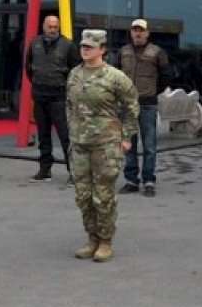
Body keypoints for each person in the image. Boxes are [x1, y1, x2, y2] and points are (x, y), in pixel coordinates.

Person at [67, 29, 139, 263]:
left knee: (104, 195)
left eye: (90, 46)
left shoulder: (115, 77)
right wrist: (72, 131)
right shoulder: (74, 75)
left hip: (105, 146)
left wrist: (126, 137)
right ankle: (92, 239)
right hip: (79, 145)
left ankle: (106, 241)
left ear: (102, 49)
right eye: (82, 46)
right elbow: (70, 105)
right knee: (83, 195)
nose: (84, 49)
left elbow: (131, 107)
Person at [117, 19, 172, 198]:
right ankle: (132, 180)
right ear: (131, 32)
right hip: (127, 106)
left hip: (148, 104)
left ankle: (149, 180)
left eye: (141, 30)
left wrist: (154, 93)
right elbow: (115, 75)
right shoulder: (123, 52)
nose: (138, 33)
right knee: (129, 145)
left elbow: (166, 75)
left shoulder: (157, 52)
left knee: (149, 146)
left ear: (147, 33)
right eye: (135, 30)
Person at [25, 15, 79, 184]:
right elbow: (29, 68)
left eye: (55, 26)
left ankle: (74, 172)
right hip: (40, 96)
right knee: (43, 135)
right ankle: (45, 170)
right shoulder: (34, 44)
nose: (52, 29)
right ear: (43, 26)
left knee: (65, 136)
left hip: (59, 97)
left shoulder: (68, 45)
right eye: (50, 26)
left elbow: (75, 71)